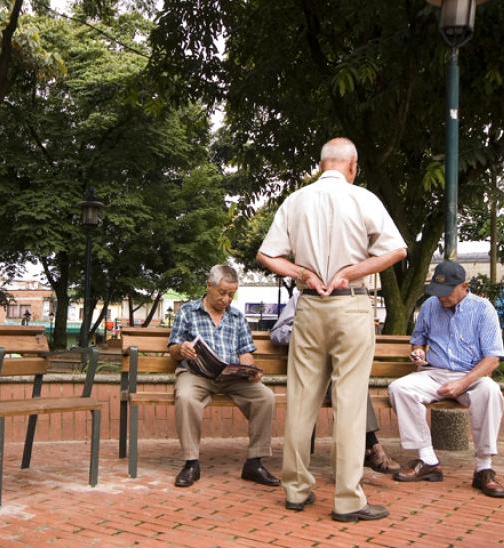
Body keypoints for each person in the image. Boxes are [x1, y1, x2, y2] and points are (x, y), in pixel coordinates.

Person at [257, 137, 407, 523]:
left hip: (307, 305)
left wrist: (301, 272)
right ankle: (347, 499)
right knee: (351, 404)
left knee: (301, 400)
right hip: (350, 305)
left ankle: (296, 490)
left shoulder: (295, 200)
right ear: (352, 165)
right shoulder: (364, 199)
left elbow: (266, 254)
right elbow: (397, 250)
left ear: (322, 164)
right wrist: (351, 272)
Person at [388, 260, 504, 498]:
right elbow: (418, 338)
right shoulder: (430, 306)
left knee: (490, 391)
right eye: (437, 291)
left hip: (471, 375)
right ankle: (428, 460)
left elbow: (493, 359)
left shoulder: (484, 309)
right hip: (435, 373)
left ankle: (484, 468)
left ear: (464, 286)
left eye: (447, 292)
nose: (441, 297)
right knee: (399, 388)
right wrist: (418, 352)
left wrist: (462, 384)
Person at [167, 264, 280, 488]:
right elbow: (172, 348)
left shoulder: (237, 317)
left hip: (231, 377)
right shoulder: (188, 312)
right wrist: (183, 349)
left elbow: (245, 352)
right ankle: (191, 463)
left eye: (231, 294)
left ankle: (254, 463)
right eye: (222, 292)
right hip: (196, 374)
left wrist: (249, 369)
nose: (227, 299)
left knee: (265, 397)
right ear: (209, 286)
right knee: (186, 398)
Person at [270, 289, 400, 475]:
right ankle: (370, 448)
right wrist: (307, 334)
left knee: (350, 384)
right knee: (348, 388)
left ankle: (356, 460)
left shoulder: (349, 297)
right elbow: (277, 333)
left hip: (337, 368)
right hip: (309, 369)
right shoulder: (301, 296)